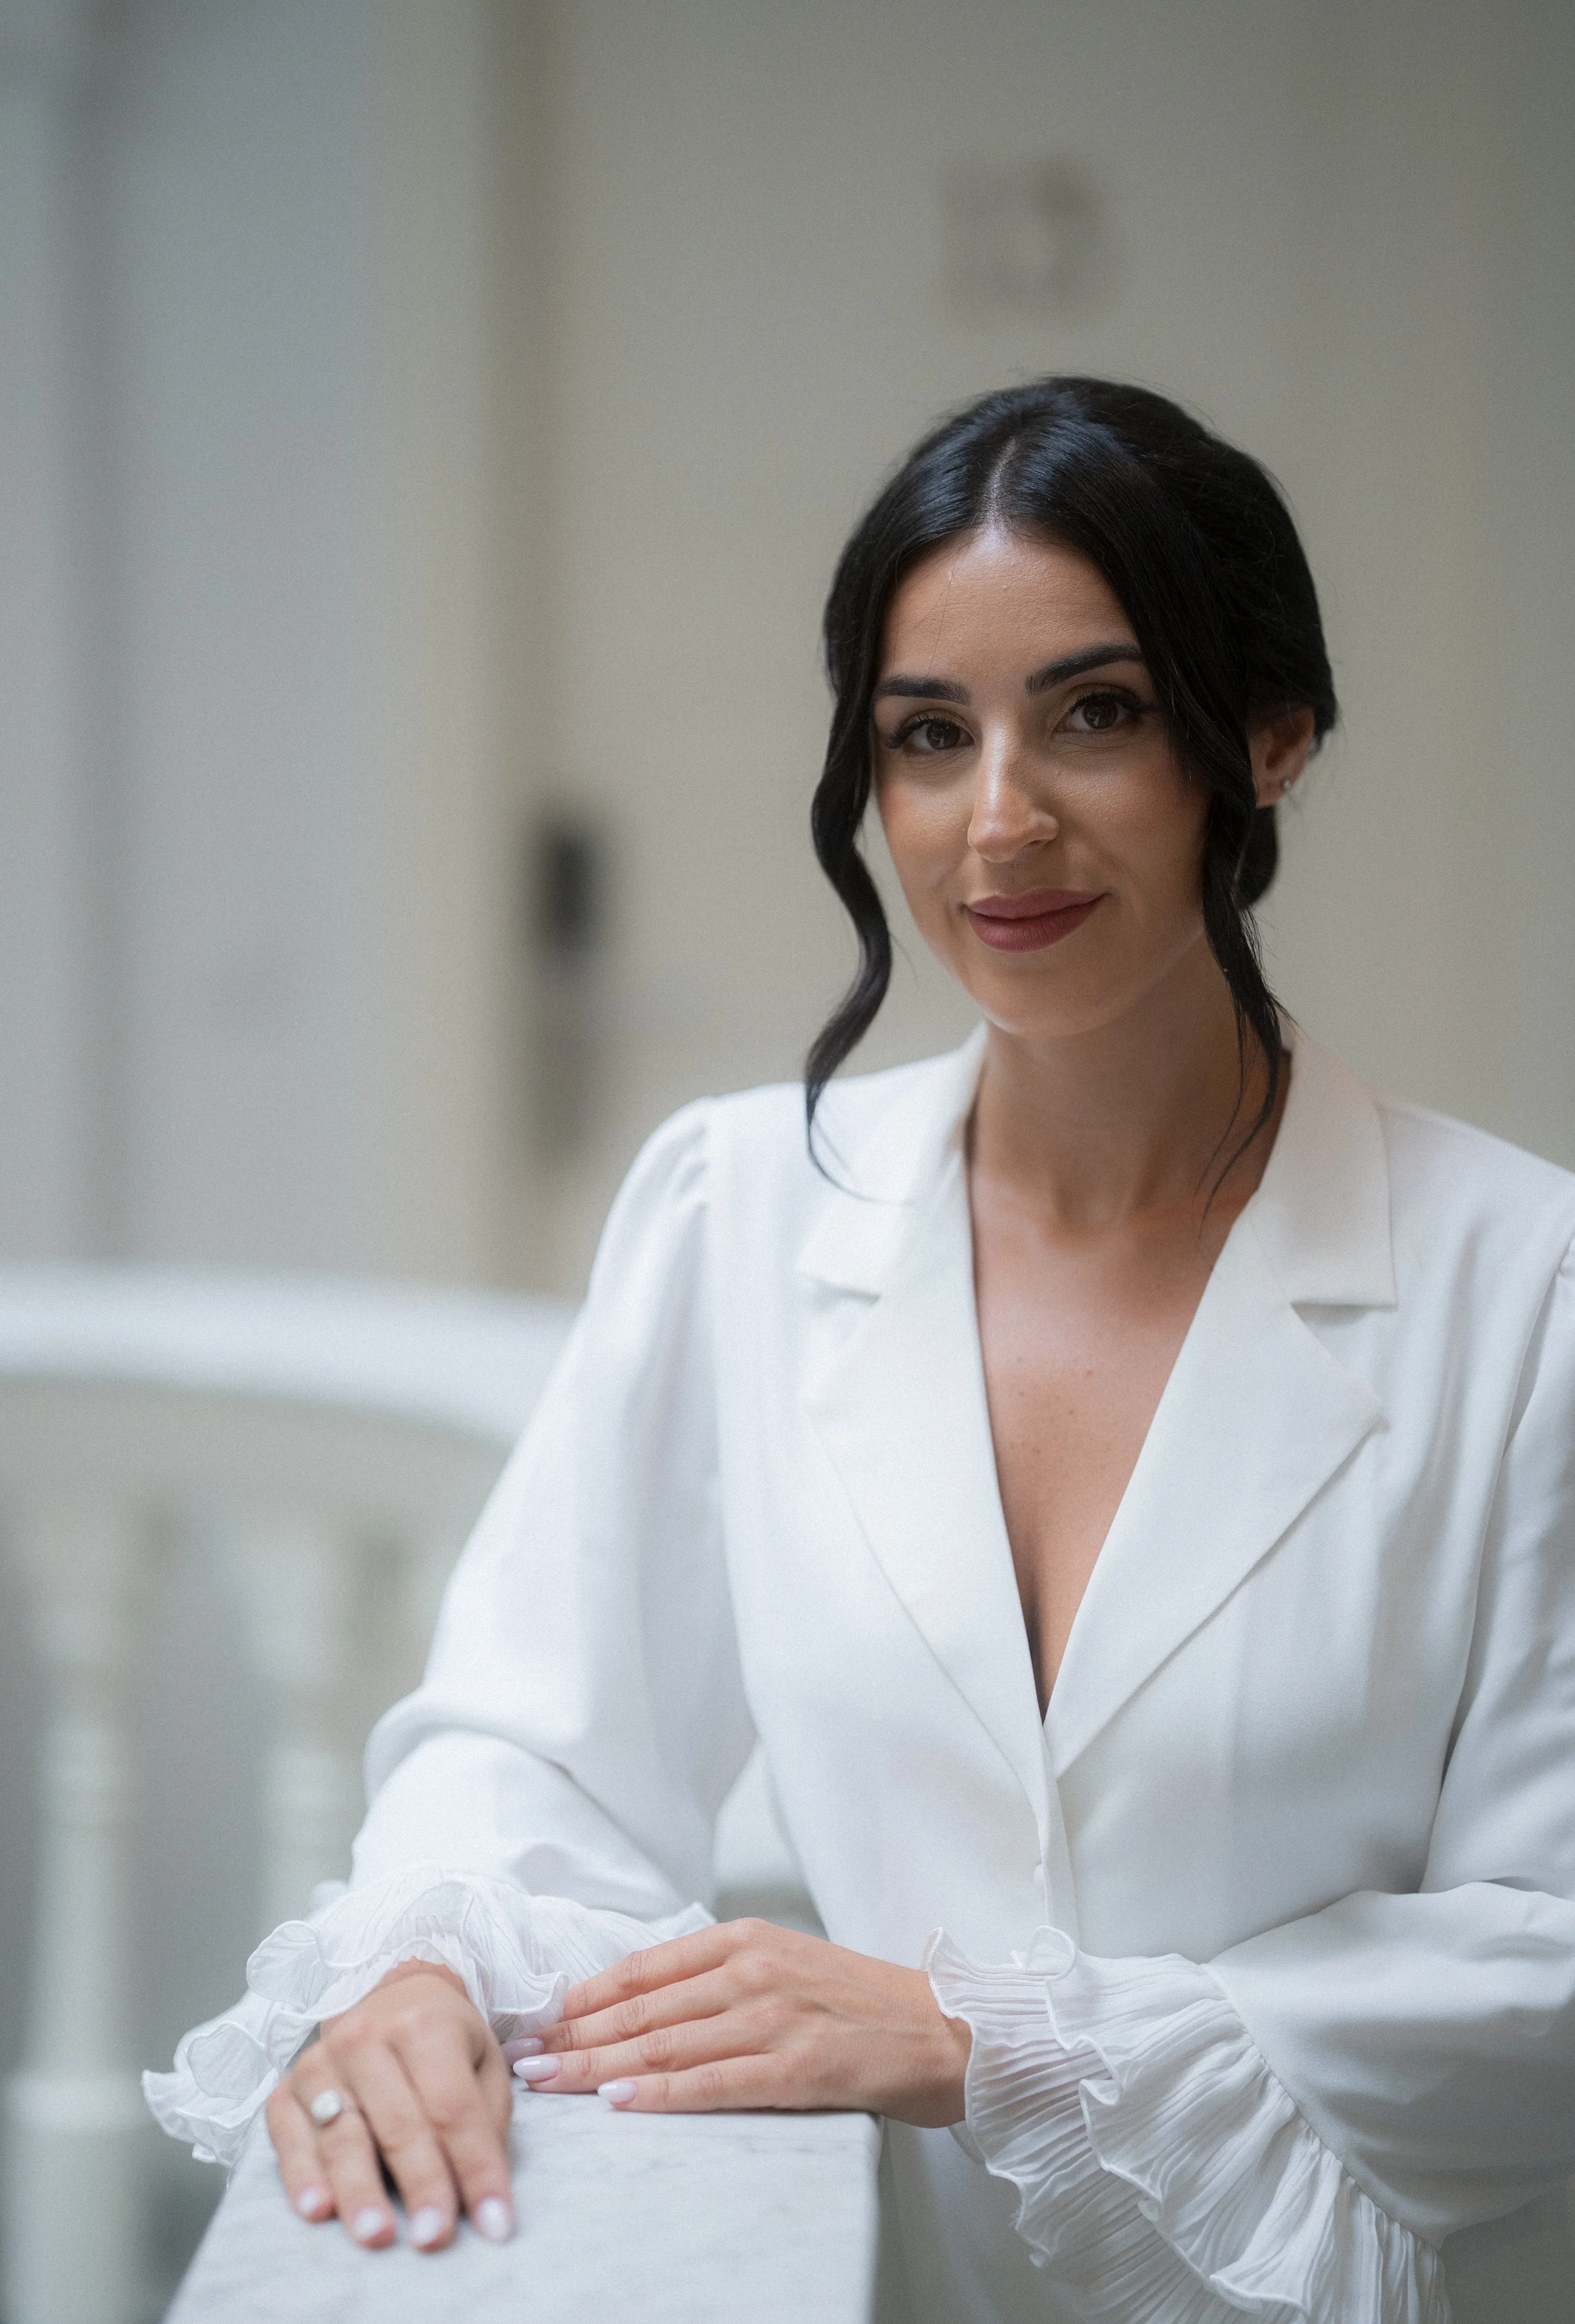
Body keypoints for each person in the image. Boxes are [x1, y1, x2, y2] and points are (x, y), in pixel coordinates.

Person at [147, 379, 1575, 2324]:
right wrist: (418, 1962)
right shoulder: (735, 1208)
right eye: (926, 736)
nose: (998, 820)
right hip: (879, 2283)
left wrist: (985, 2036)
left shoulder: (1527, 1285)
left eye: (1097, 712)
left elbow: (1545, 1958)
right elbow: (531, 1734)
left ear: (1264, 736)